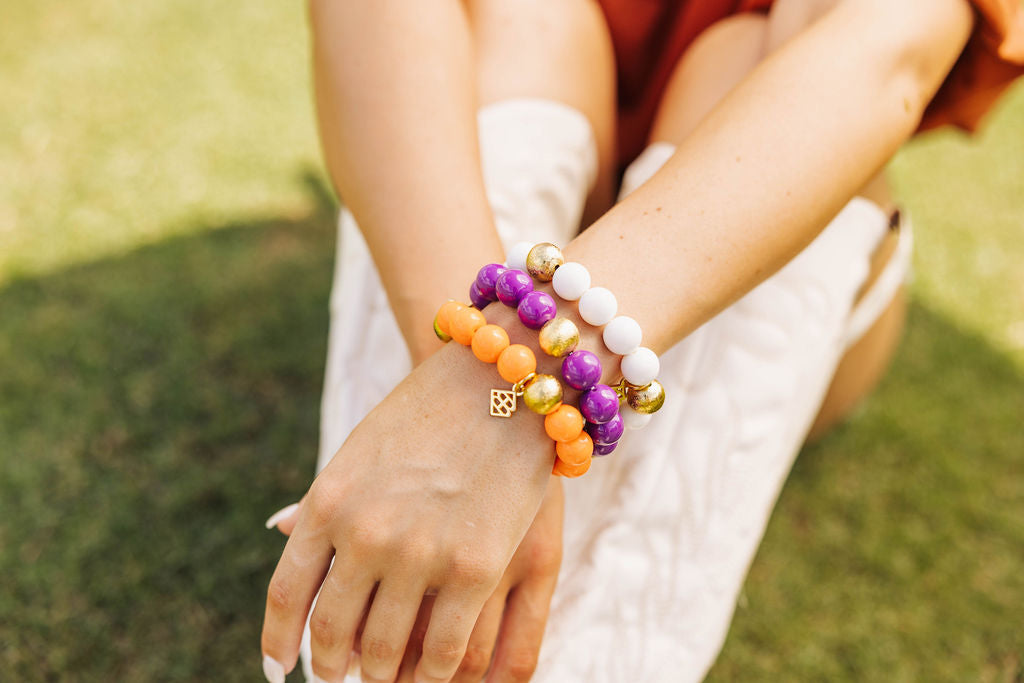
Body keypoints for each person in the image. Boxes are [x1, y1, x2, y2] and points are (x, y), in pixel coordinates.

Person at [259, 1, 1024, 681]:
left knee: (740, 59)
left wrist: (528, 389)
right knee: (529, 19)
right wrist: (478, 390)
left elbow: (878, 52)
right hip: (484, 282)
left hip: (761, 239)